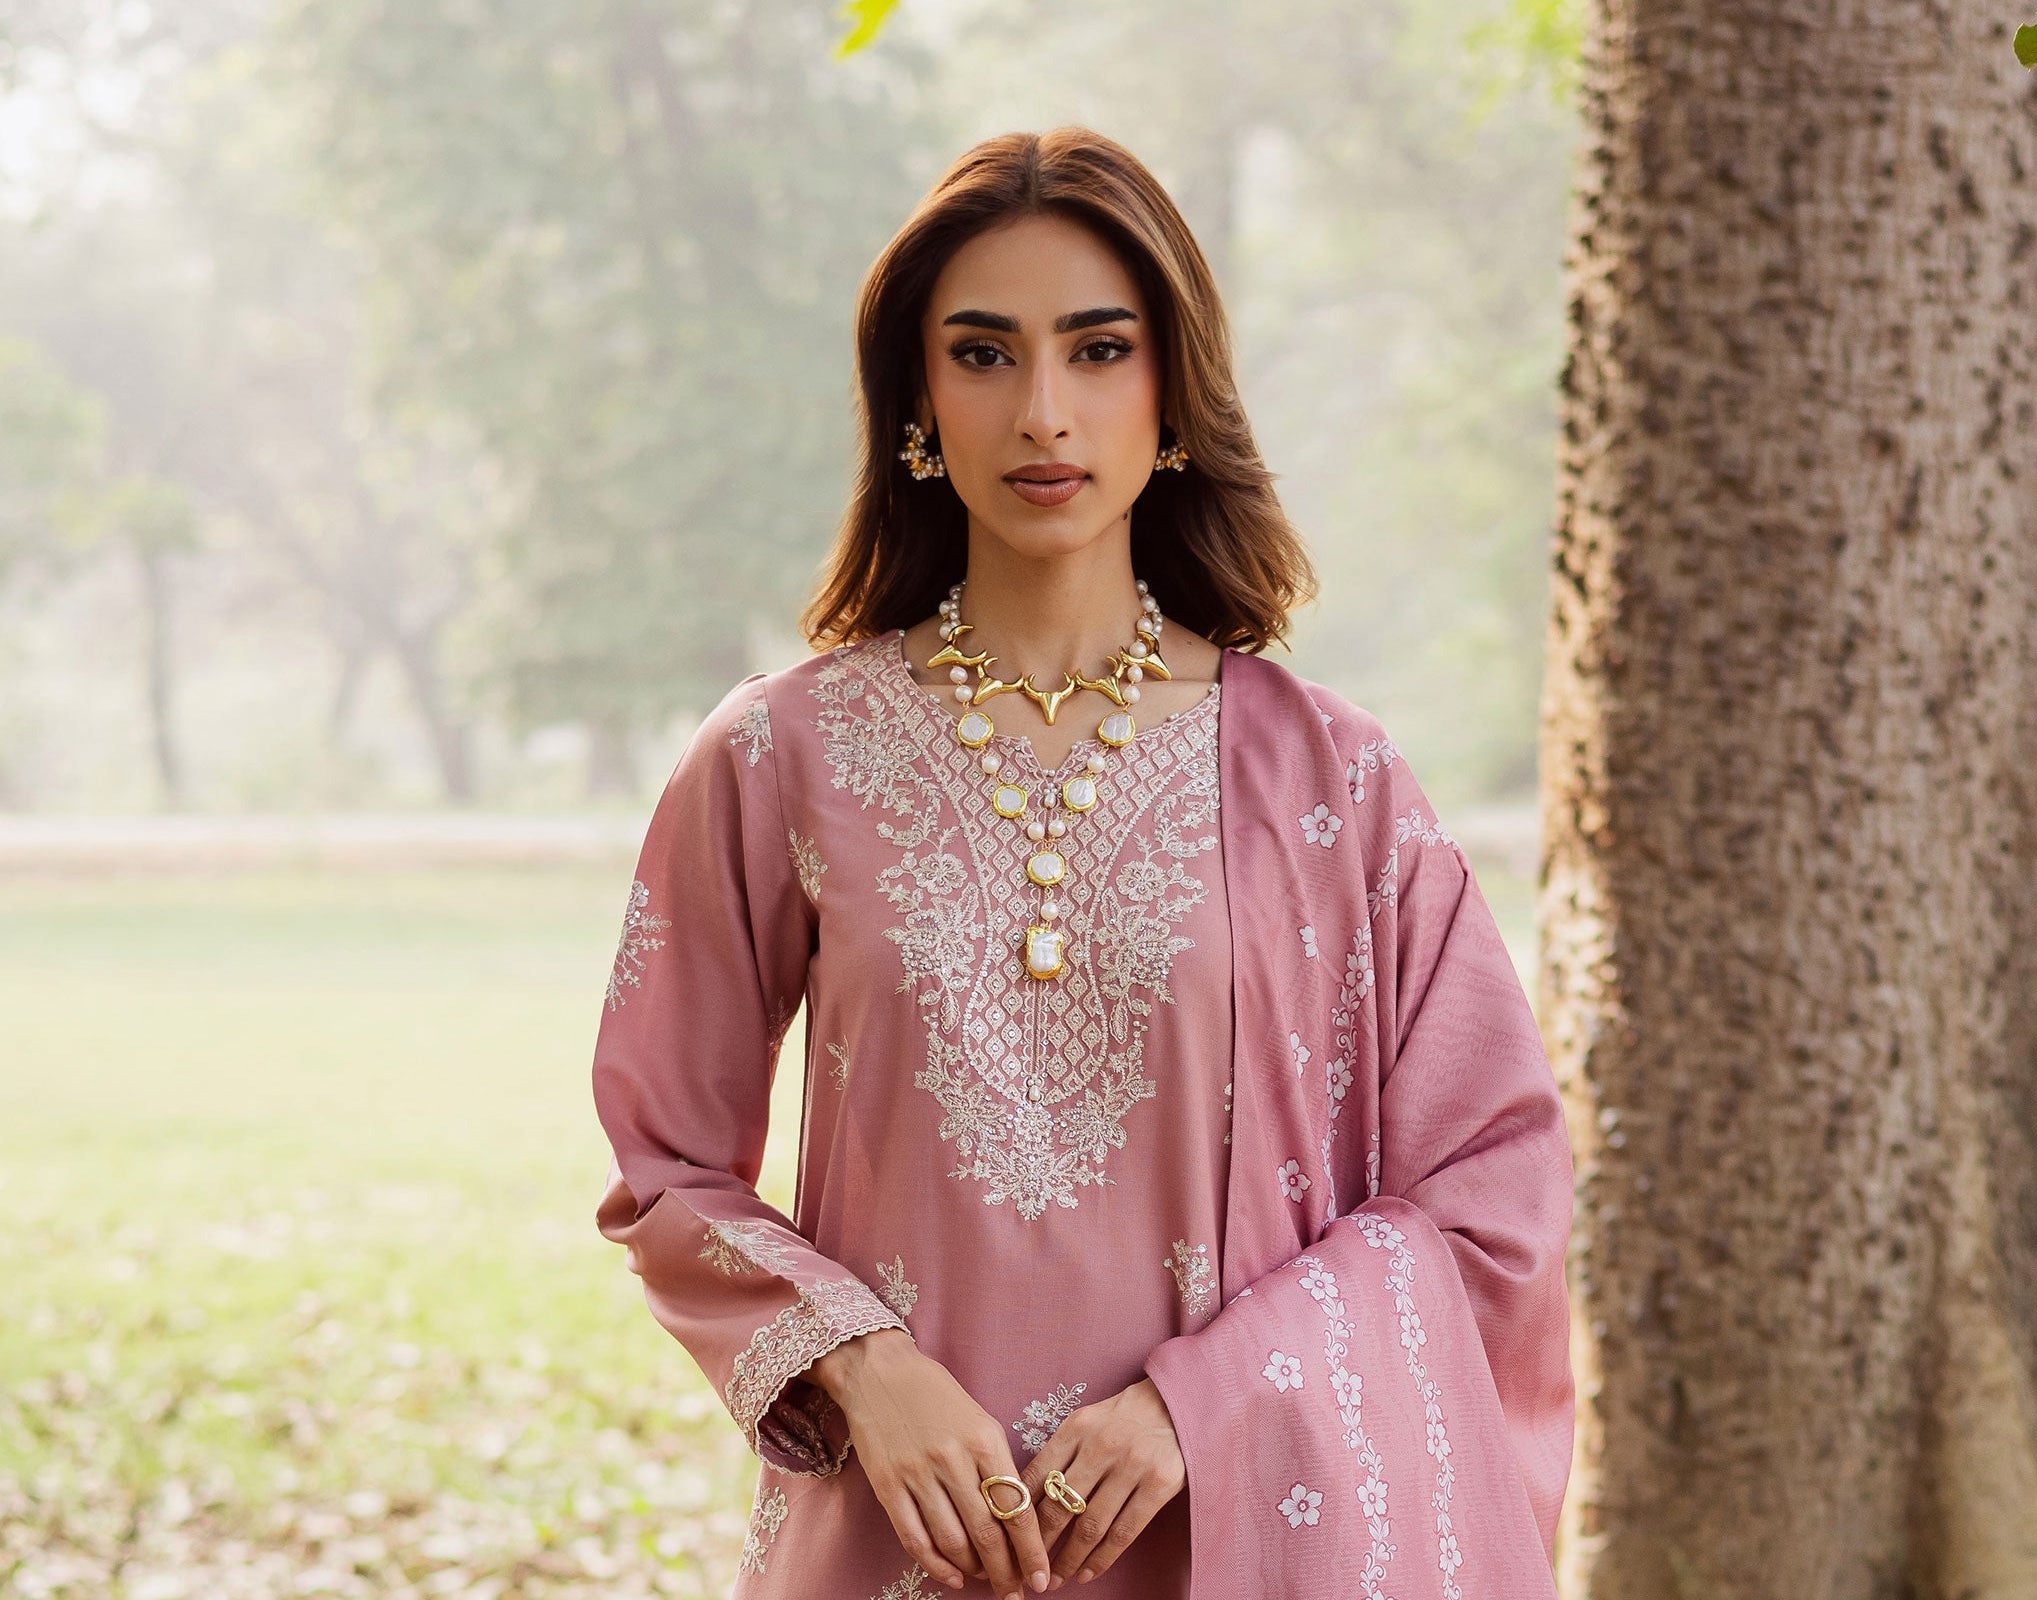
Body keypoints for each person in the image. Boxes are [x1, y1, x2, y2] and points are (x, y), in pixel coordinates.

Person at [590, 125, 1574, 1600]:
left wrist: (1207, 1403)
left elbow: (1492, 1188)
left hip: (1228, 1538)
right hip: (901, 1536)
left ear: (1170, 392)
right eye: (984, 355)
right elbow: (664, 1162)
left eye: (1098, 351)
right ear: (917, 401)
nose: (1043, 411)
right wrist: (861, 1365)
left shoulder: (1328, 779)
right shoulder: (778, 756)